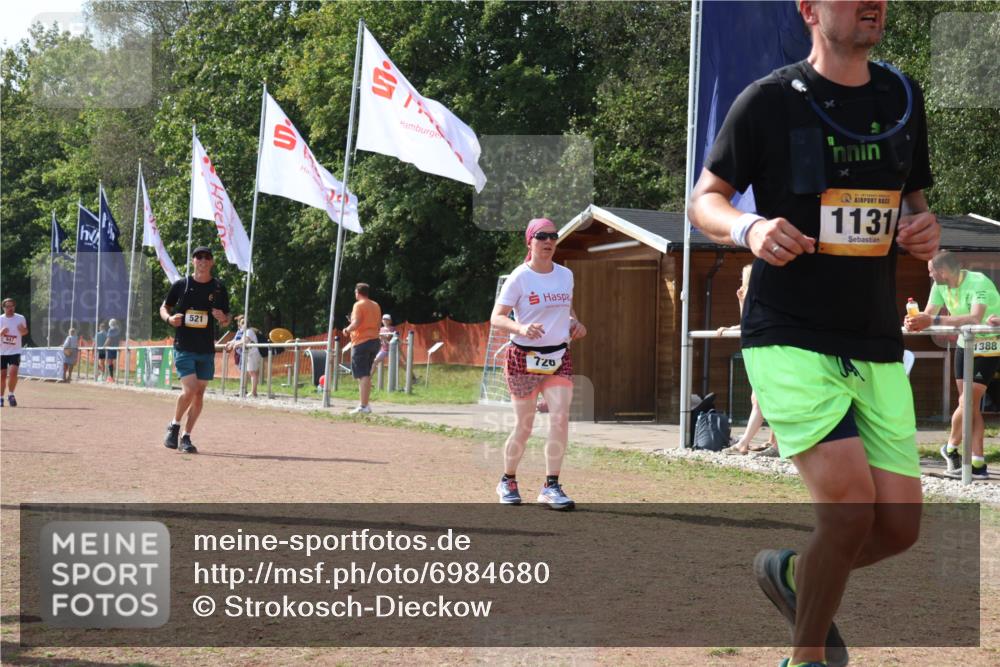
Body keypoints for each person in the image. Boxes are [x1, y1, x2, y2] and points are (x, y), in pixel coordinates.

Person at [688, 2, 939, 666]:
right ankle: (804, 658)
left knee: (899, 527)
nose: (872, 4)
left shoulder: (902, 97)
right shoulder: (769, 100)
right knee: (851, 512)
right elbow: (704, 197)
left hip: (875, 337)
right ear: (808, 9)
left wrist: (924, 227)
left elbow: (914, 205)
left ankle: (795, 575)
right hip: (787, 331)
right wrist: (749, 227)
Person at [490, 217, 587, 510]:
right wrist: (521, 328)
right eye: (542, 236)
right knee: (525, 424)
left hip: (558, 356)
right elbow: (496, 318)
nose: (548, 242)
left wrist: (575, 323)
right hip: (523, 358)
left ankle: (551, 486)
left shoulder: (565, 275)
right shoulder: (519, 277)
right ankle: (507, 480)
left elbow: (566, 309)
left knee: (560, 417)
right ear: (530, 241)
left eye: (553, 237)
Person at [905, 251, 1000, 480]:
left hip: (989, 345)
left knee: (968, 400)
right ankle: (977, 462)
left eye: (931, 271)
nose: (929, 274)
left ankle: (950, 448)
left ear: (943, 271)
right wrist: (915, 321)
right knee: (969, 404)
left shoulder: (978, 281)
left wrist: (933, 321)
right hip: (964, 345)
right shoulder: (939, 287)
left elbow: (975, 318)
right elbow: (928, 314)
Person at [159, 246, 230, 453]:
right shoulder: (181, 285)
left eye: (207, 257)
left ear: (212, 262)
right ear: (193, 261)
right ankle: (174, 424)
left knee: (199, 394)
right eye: (199, 257)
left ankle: (186, 437)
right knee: (189, 390)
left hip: (206, 348)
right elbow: (165, 307)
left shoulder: (218, 288)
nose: (203, 261)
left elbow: (227, 317)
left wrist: (223, 318)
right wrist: (170, 319)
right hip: (184, 346)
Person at [720, 265, 778, 456]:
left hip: (767, 355)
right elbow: (747, 323)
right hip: (761, 355)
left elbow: (750, 325)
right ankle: (770, 442)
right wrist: (741, 300)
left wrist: (742, 301)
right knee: (761, 400)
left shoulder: (762, 300)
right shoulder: (757, 299)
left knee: (760, 400)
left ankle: (745, 443)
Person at [342, 283, 381, 414]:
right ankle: (365, 404)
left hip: (361, 342)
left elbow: (356, 323)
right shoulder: (375, 305)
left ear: (358, 292)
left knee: (362, 374)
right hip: (374, 341)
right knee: (366, 374)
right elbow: (376, 323)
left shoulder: (358, 305)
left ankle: (363, 406)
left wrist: (347, 330)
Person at [0, 297, 29, 407]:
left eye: (12, 306)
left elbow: (25, 332)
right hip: (1, 351)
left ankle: (11, 395)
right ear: (3, 308)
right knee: (2, 376)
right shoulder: (0, 319)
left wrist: (23, 330)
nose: (10, 308)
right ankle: (1, 397)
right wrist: (1, 332)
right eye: (7, 306)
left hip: (15, 351)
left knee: (13, 373)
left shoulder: (20, 318)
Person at [226, 315, 262, 398]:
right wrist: (233, 343)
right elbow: (239, 340)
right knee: (251, 372)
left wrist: (236, 344)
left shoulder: (249, 331)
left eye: (242, 323)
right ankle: (251, 392)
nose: (240, 324)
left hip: (252, 354)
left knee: (253, 373)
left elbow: (245, 340)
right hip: (249, 354)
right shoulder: (245, 331)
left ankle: (254, 392)